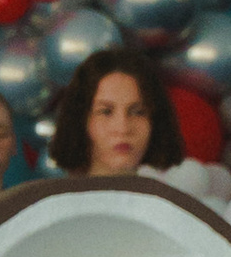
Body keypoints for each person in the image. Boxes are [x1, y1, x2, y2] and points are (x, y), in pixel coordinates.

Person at [48, 46, 181, 180]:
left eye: (138, 112)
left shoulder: (175, 199)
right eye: (106, 112)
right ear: (79, 120)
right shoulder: (49, 200)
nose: (123, 128)